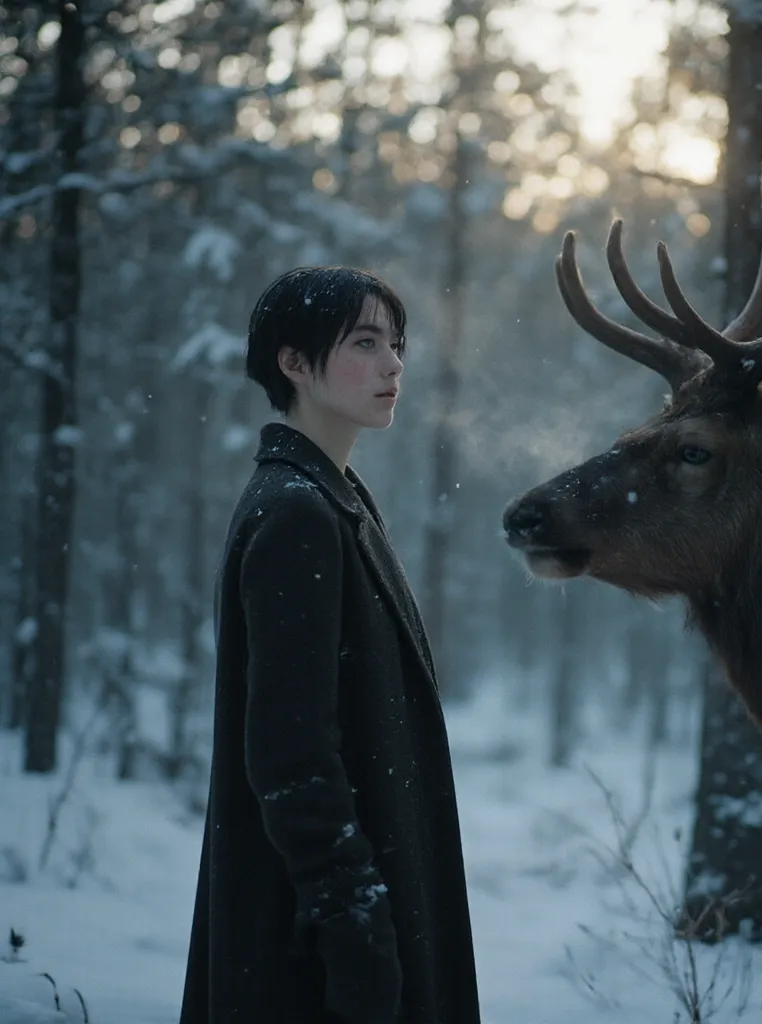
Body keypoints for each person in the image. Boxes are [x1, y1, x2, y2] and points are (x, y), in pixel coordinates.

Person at [179, 266, 481, 1024]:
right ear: (293, 362)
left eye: (397, 344)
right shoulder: (297, 514)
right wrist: (356, 922)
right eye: (365, 342)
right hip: (309, 937)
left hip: (341, 907)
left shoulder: (331, 501)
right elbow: (290, 755)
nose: (393, 365)